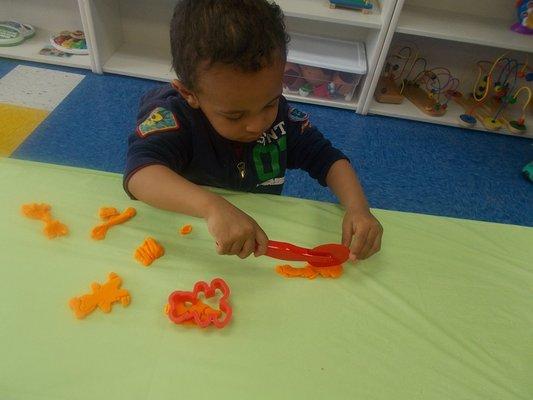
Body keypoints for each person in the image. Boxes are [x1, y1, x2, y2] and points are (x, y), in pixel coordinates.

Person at [124, 0, 382, 261]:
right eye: (235, 115)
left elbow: (328, 159)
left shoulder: (282, 119)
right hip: (187, 241)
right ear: (189, 94)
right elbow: (140, 175)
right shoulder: (174, 117)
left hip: (254, 241)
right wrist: (211, 207)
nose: (258, 124)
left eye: (270, 102)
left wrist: (358, 208)